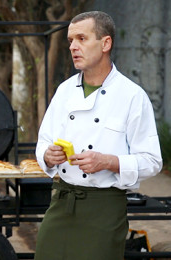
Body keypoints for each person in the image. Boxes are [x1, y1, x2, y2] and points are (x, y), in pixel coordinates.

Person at [34, 11, 162, 260]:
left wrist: (108, 162)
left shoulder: (132, 96)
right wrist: (48, 156)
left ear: (106, 43)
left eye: (82, 38)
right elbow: (44, 142)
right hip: (61, 202)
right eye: (71, 40)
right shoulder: (64, 91)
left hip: (104, 210)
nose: (73, 47)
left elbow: (152, 161)